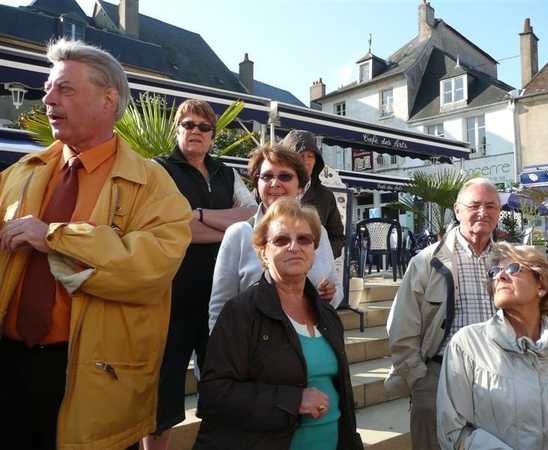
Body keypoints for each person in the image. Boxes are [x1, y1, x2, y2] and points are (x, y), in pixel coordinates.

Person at [0, 38, 191, 450]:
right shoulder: (19, 173)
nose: (48, 98)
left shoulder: (154, 183)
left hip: (92, 376)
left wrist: (54, 238)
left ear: (109, 100)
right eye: (49, 87)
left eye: (64, 88)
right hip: (8, 367)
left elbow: (151, 268)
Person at [194, 197, 363, 449]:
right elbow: (214, 394)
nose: (294, 246)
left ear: (314, 248)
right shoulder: (241, 311)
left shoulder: (326, 314)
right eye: (282, 240)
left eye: (304, 239)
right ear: (263, 251)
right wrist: (293, 400)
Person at [144, 99, 257, 449]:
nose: (195, 131)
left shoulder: (227, 173)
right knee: (161, 399)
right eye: (188, 125)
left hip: (221, 303)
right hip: (172, 301)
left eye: (203, 127)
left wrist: (197, 215)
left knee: (220, 389)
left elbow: (253, 217)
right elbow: (173, 230)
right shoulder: (158, 170)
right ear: (177, 129)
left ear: (212, 135)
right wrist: (227, 224)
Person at [437, 242, 548, 449]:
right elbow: (454, 430)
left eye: (513, 269)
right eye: (494, 272)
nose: (500, 276)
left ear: (541, 286)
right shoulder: (467, 346)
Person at [385, 177, 501, 450]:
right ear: (457, 210)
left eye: (491, 206)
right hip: (438, 375)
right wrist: (419, 378)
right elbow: (401, 327)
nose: (483, 212)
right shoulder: (427, 261)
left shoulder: (507, 262)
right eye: (474, 205)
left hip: (499, 377)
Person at [209, 143, 343, 333]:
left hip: (311, 339)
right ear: (257, 183)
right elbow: (219, 308)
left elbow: (335, 286)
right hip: (254, 348)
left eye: (285, 176)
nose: (275, 183)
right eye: (267, 176)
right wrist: (221, 352)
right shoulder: (238, 234)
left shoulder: (316, 230)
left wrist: (331, 295)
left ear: (300, 187)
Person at [280, 129, 345, 259]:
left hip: (314, 275)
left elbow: (338, 238)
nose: (305, 161)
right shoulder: (271, 190)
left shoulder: (325, 196)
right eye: (299, 155)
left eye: (310, 156)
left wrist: (320, 258)